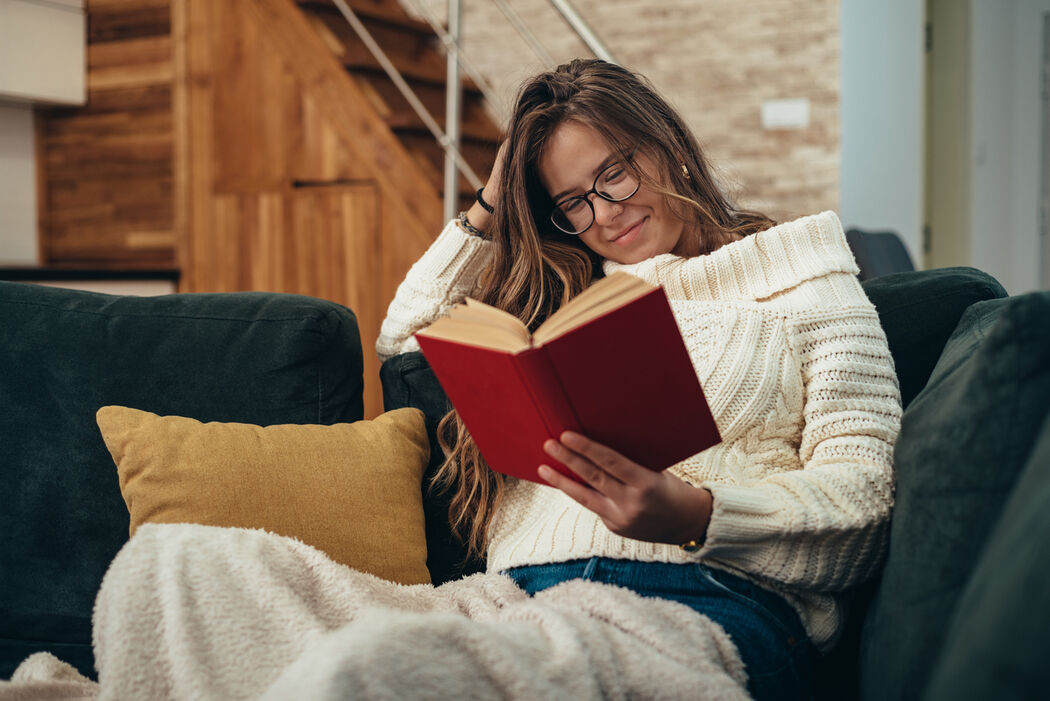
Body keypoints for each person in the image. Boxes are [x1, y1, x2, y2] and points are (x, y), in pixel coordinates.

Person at [375, 58, 902, 700]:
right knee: (229, 575)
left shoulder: (807, 281)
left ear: (668, 146)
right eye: (573, 201)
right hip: (507, 600)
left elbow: (867, 500)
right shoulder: (564, 299)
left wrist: (699, 515)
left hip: (697, 597)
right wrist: (491, 198)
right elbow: (407, 343)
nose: (604, 214)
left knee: (391, 673)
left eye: (614, 175)